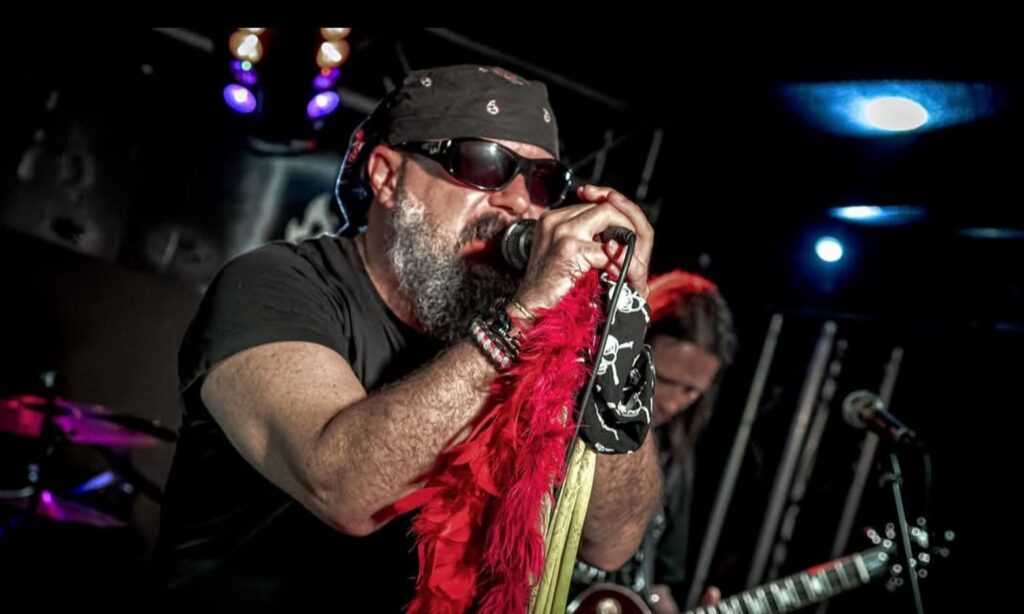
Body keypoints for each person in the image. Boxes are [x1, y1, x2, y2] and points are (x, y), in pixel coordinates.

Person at [150, 64, 661, 612]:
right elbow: (344, 490)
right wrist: (524, 316)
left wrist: (615, 340)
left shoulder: (526, 331)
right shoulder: (274, 284)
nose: (519, 203)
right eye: (484, 164)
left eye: (542, 182)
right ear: (387, 176)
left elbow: (612, 540)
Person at [571, 271, 736, 613]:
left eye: (691, 391)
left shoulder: (675, 454)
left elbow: (658, 583)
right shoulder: (572, 417)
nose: (673, 403)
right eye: (664, 379)